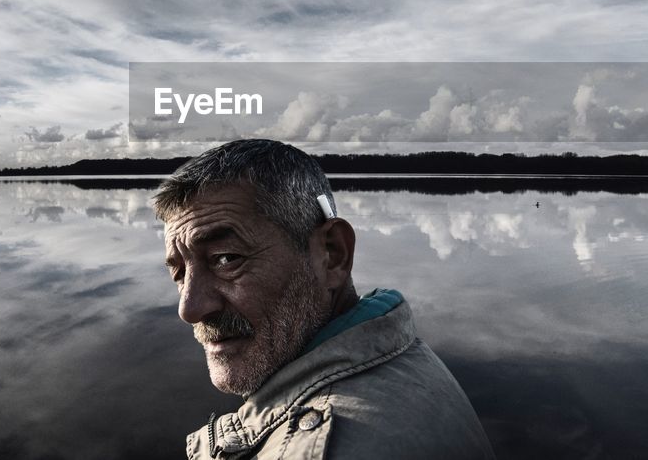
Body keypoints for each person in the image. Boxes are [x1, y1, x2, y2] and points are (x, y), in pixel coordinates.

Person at [155, 139, 494, 459]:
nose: (190, 308)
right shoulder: (400, 358)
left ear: (331, 255)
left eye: (226, 258)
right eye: (179, 272)